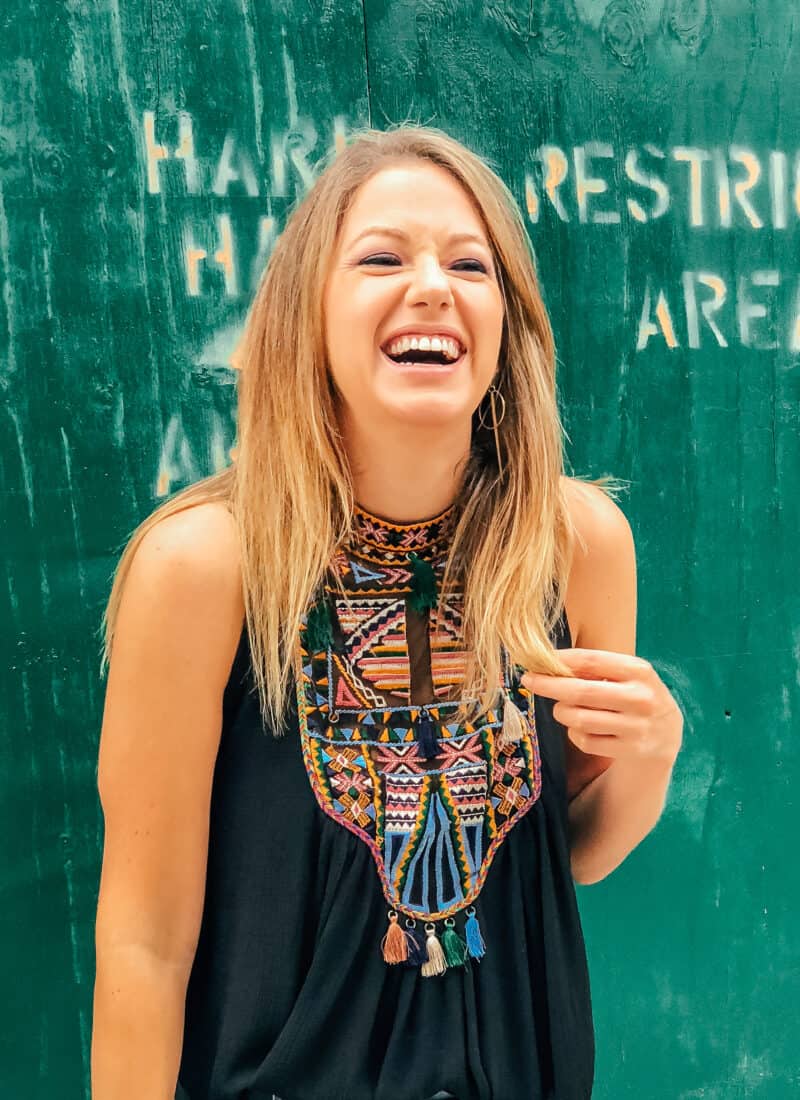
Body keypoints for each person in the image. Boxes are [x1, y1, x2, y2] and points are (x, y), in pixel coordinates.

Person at [91, 125, 683, 1100]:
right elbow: (145, 941)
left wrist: (648, 758)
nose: (431, 285)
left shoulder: (577, 542)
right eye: (380, 256)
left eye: (468, 262)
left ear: (507, 318)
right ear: (305, 314)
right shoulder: (205, 566)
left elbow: (565, 852)